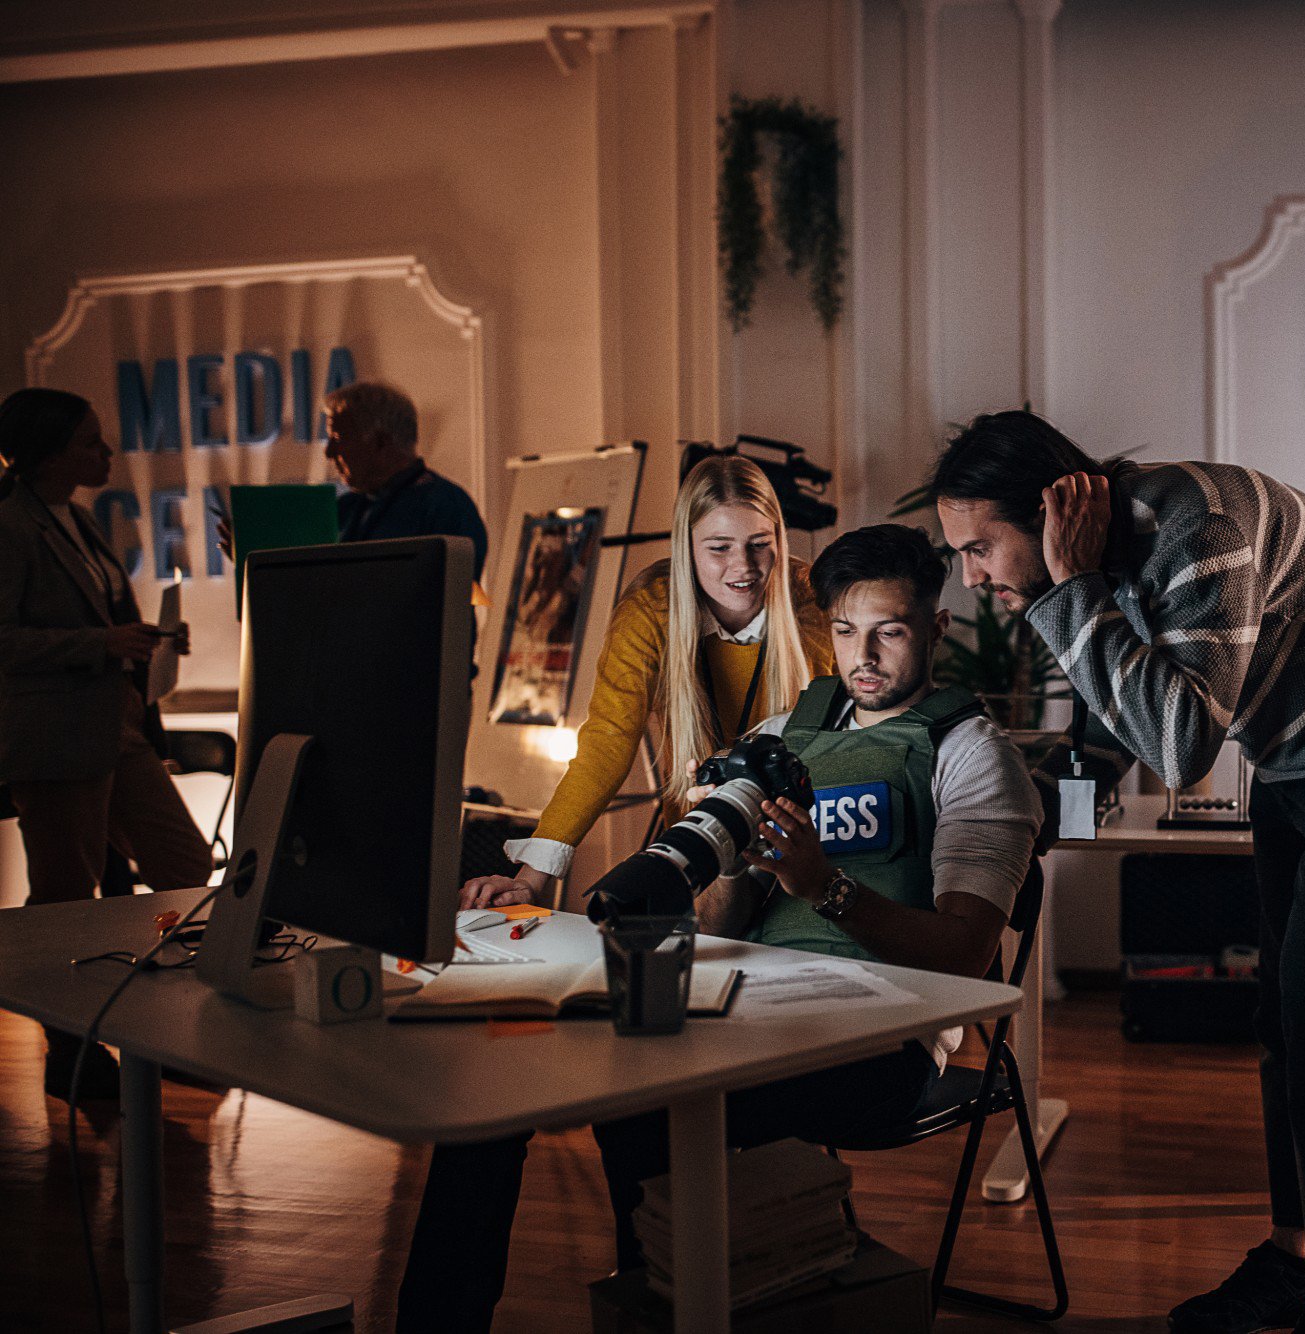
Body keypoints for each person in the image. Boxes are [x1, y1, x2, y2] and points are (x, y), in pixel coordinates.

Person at [397, 523, 1042, 1333]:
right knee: (497, 1087)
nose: (862, 655)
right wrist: (736, 865)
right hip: (746, 1007)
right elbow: (712, 921)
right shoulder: (779, 737)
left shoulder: (973, 754)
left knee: (638, 1100)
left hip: (881, 1046)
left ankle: (672, 1299)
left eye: (890, 631)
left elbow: (967, 955)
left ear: (937, 628)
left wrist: (823, 885)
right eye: (844, 631)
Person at [933, 410, 1305, 1334]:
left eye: (980, 547)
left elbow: (1182, 746)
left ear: (1054, 514)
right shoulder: (1100, 560)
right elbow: (1121, 703)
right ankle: (1291, 1254)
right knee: (1280, 1007)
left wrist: (1068, 591)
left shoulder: (1197, 535)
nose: (972, 576)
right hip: (1299, 745)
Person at [461, 456, 833, 911]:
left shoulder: (814, 598)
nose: (745, 567)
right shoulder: (650, 608)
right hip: (706, 842)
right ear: (687, 545)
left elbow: (836, 730)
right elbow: (607, 742)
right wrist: (532, 878)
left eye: (760, 543)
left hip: (807, 839)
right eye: (719, 547)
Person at [0, 388, 213, 1102]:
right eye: (93, 442)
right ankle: (71, 1048)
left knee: (185, 866)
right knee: (64, 896)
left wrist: (141, 642)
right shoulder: (11, 525)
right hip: (55, 741)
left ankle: (175, 1034)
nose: (108, 452)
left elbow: (98, 621)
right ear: (53, 451)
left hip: (113, 727)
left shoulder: (78, 521)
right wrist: (101, 642)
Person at [323, 381, 489, 578]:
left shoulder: (445, 506)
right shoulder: (346, 508)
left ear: (381, 443)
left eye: (338, 438)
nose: (329, 452)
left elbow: (450, 599)